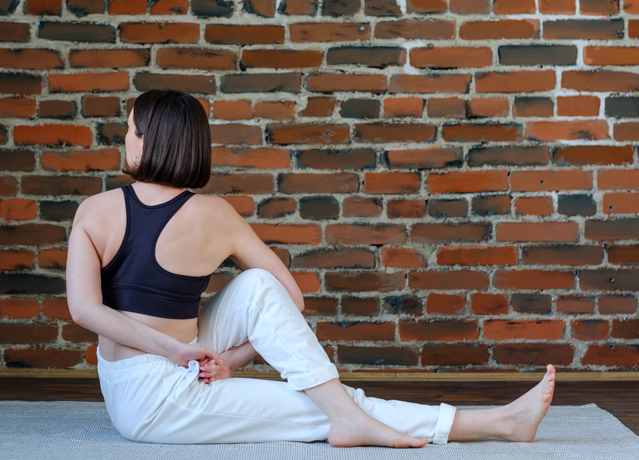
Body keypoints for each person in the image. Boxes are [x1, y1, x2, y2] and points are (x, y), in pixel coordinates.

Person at [65, 89, 556, 448]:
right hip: (158, 396)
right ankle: (496, 423)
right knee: (326, 403)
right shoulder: (216, 215)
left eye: (130, 128)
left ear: (150, 139)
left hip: (139, 386)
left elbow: (84, 309)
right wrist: (179, 352)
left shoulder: (96, 209)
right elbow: (293, 299)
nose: (125, 137)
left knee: (261, 292)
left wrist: (228, 363)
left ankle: (365, 416)